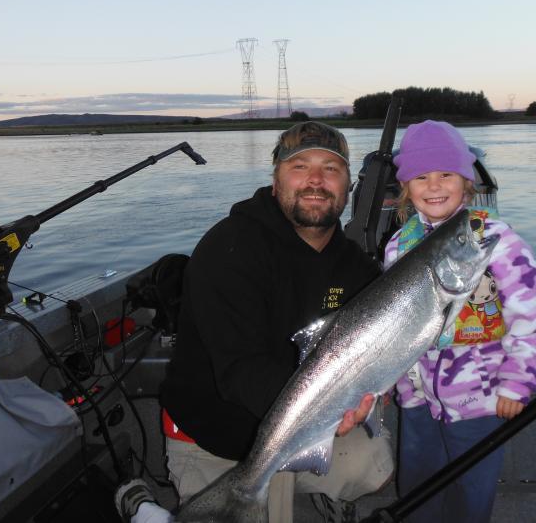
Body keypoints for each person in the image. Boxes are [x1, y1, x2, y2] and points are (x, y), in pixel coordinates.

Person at [137, 121, 393, 523]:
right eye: (299, 166)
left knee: (371, 459)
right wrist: (325, 410)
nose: (315, 180)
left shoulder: (356, 267)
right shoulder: (230, 248)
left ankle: (309, 487)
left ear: (348, 186)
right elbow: (240, 370)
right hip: (215, 434)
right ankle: (144, 506)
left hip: (304, 419)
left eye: (331, 168)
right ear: (275, 181)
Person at [383, 120, 536, 523]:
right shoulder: (396, 246)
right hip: (418, 397)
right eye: (421, 177)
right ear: (406, 187)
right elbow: (393, 326)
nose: (435, 186)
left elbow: (529, 312)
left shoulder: (496, 237)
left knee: (470, 490)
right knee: (418, 487)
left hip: (481, 398)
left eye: (446, 175)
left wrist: (518, 381)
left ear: (466, 181)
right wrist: (390, 381)